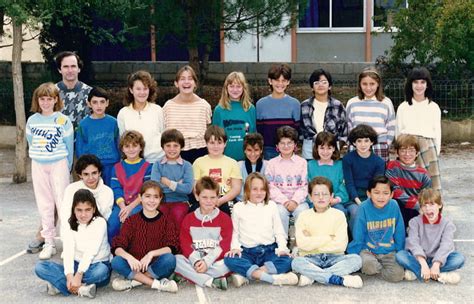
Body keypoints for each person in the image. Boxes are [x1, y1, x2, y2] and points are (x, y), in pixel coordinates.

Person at [26, 82, 73, 260]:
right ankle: (49, 243)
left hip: (58, 163)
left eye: (49, 99)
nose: (46, 102)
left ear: (56, 100)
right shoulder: (33, 120)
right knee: (44, 204)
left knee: (62, 203)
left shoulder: (62, 120)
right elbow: (31, 142)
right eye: (42, 99)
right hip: (38, 164)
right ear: (37, 100)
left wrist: (67, 166)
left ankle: (68, 243)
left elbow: (68, 145)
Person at [224, 173, 297, 287]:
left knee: (288, 260)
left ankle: (249, 274)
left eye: (262, 189)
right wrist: (235, 248)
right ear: (247, 190)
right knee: (229, 259)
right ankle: (272, 278)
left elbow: (279, 230)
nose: (259, 193)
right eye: (255, 189)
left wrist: (283, 248)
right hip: (247, 252)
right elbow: (235, 231)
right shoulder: (239, 207)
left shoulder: (272, 206)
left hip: (269, 250)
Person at [35, 190, 111, 298]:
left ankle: (62, 286)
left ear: (94, 209)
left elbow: (91, 251)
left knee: (101, 272)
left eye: (87, 210)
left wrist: (79, 275)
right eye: (79, 210)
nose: (83, 214)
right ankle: (81, 289)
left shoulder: (100, 222)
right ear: (74, 210)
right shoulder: (70, 224)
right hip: (76, 264)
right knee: (40, 267)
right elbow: (69, 250)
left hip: (97, 264)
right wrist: (70, 275)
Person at [292, 177, 362, 288]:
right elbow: (302, 244)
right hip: (310, 258)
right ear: (310, 197)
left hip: (335, 257)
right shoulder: (303, 216)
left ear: (331, 196)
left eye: (325, 194)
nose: (320, 197)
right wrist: (329, 238)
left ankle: (313, 276)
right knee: (296, 262)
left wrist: (313, 240)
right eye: (316, 194)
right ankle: (336, 279)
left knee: (356, 260)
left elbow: (340, 246)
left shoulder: (338, 215)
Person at [111, 181, 179, 293]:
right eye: (147, 196)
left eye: (156, 197)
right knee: (116, 261)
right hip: (135, 265)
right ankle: (156, 284)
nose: (151, 201)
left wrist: (151, 254)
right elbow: (117, 246)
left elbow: (172, 247)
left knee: (170, 259)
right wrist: (129, 257)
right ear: (140, 198)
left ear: (160, 199)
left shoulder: (167, 220)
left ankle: (135, 281)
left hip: (157, 265)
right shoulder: (131, 221)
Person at [396, 189, 464, 284]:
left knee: (459, 258)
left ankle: (419, 273)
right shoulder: (414, 222)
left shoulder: (447, 224)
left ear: (440, 205)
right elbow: (413, 243)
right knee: (400, 256)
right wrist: (423, 263)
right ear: (421, 207)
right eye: (424, 205)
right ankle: (438, 275)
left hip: (439, 259)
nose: (428, 209)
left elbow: (446, 245)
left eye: (432, 204)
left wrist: (436, 264)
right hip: (419, 259)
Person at [175, 177, 233, 290]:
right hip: (194, 260)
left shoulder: (225, 219)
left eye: (212, 197)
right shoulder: (189, 219)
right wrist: (196, 261)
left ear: (218, 197)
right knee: (176, 260)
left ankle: (191, 276)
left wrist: (207, 262)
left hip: (215, 261)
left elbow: (225, 245)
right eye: (204, 197)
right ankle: (210, 281)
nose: (209, 201)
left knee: (230, 262)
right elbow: (185, 244)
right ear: (197, 196)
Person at [347, 176, 405, 282]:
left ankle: (380, 268)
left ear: (391, 195)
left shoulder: (394, 205)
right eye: (376, 192)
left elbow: (399, 229)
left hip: (389, 251)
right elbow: (358, 233)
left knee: (398, 275)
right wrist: (354, 254)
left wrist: (400, 250)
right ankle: (374, 267)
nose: (381, 197)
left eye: (385, 193)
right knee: (370, 267)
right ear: (369, 194)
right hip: (368, 250)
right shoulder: (363, 207)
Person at [396, 67, 442, 191]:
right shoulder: (403, 107)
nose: (419, 86)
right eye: (415, 82)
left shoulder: (433, 107)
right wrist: (401, 152)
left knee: (431, 187)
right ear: (410, 84)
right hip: (408, 149)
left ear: (427, 85)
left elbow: (437, 133)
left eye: (422, 82)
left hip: (428, 149)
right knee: (410, 185)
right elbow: (398, 132)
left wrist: (435, 154)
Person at [108, 131, 152, 243]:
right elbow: (116, 189)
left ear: (141, 147)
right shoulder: (117, 168)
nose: (131, 149)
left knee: (131, 219)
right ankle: (112, 251)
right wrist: (123, 207)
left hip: (139, 203)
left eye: (134, 145)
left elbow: (146, 191)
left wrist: (130, 207)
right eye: (127, 146)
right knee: (112, 223)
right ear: (122, 149)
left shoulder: (148, 167)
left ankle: (132, 249)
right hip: (121, 204)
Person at [265, 126, 308, 237]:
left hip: (299, 201)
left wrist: (294, 201)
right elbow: (270, 186)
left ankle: (300, 245)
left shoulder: (302, 162)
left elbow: (305, 186)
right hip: (279, 201)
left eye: (289, 143)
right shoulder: (271, 163)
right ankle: (282, 244)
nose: (286, 146)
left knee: (303, 212)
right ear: (277, 146)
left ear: (295, 145)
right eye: (282, 143)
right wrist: (284, 201)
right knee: (279, 213)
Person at [163, 65, 212, 163]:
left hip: (200, 152)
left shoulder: (204, 105)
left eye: (190, 79)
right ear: (176, 83)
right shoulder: (168, 106)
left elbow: (208, 130)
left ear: (195, 84)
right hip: (175, 153)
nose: (186, 82)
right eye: (182, 79)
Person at [346, 67, 396, 162]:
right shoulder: (352, 103)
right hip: (357, 146)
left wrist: (386, 144)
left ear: (378, 84)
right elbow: (348, 125)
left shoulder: (386, 102)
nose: (368, 88)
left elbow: (391, 126)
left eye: (372, 84)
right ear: (360, 85)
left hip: (379, 146)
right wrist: (353, 143)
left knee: (378, 176)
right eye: (364, 84)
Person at [342, 124, 385, 231]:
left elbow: (377, 185)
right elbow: (349, 183)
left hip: (372, 197)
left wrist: (370, 201)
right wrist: (359, 202)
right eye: (359, 141)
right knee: (356, 212)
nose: (363, 144)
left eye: (366, 140)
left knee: (376, 212)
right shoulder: (348, 159)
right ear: (353, 143)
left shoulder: (379, 162)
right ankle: (356, 241)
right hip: (353, 198)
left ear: (372, 142)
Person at [75, 87, 120, 186]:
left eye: (102, 102)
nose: (99, 106)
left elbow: (118, 144)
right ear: (89, 103)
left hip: (112, 165)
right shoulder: (83, 125)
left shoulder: (113, 122)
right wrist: (86, 167)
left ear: (107, 103)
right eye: (95, 102)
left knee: (111, 193)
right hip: (93, 168)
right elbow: (80, 149)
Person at [192, 125, 242, 215]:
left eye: (219, 142)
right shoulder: (198, 162)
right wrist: (203, 200)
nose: (216, 146)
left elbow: (236, 188)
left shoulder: (232, 162)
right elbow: (195, 186)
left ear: (225, 143)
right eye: (212, 143)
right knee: (192, 213)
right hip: (204, 199)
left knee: (232, 213)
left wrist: (220, 201)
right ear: (206, 143)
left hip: (225, 198)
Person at [117, 70, 164, 164]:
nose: (142, 92)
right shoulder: (123, 113)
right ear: (131, 90)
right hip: (134, 162)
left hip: (157, 162)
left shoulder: (158, 110)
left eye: (145, 88)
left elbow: (164, 135)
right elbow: (123, 141)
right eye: (138, 89)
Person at [386, 135, 432, 228]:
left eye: (411, 150)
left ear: (417, 153)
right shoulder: (392, 166)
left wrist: (422, 207)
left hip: (417, 210)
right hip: (398, 207)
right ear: (397, 152)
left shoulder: (423, 174)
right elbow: (394, 190)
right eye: (403, 150)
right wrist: (416, 204)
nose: (407, 154)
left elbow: (426, 195)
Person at [300, 69, 347, 160]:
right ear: (312, 87)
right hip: (309, 151)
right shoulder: (304, 105)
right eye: (316, 82)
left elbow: (344, 130)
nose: (320, 85)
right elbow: (300, 131)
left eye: (324, 82)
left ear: (329, 86)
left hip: (332, 150)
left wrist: (336, 145)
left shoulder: (337, 105)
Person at [150, 129, 193, 229]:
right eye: (168, 145)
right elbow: (155, 187)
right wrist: (178, 184)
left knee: (178, 217)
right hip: (161, 201)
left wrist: (167, 182)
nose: (172, 149)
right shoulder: (157, 165)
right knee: (160, 219)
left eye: (175, 145)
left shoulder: (186, 165)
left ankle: (176, 244)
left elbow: (188, 188)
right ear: (163, 147)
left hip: (181, 201)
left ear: (181, 147)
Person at [256, 63, 300, 159]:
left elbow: (297, 131)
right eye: (276, 80)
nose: (280, 84)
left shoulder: (295, 104)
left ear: (288, 82)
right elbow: (259, 131)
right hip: (268, 150)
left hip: (288, 150)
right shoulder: (260, 104)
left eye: (283, 80)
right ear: (270, 81)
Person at [61, 155, 113, 232]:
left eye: (94, 173)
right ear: (80, 175)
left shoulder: (107, 192)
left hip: (96, 232)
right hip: (74, 230)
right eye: (86, 174)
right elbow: (65, 216)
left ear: (100, 173)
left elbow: (104, 218)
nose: (91, 178)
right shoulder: (71, 189)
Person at [212, 71, 256, 161]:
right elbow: (214, 136)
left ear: (244, 88)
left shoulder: (250, 109)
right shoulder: (219, 110)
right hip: (224, 159)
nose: (235, 90)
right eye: (231, 86)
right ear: (226, 88)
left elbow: (253, 134)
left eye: (238, 86)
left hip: (245, 159)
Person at [307, 131, 349, 214]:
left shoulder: (340, 165)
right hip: (315, 202)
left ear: (334, 148)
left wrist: (336, 199)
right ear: (316, 148)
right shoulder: (310, 165)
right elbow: (307, 185)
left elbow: (343, 184)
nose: (325, 152)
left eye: (329, 148)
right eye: (322, 148)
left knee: (340, 212)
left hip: (334, 202)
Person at [54, 51, 92, 129]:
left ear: (79, 69)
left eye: (73, 66)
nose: (70, 70)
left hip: (84, 140)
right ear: (59, 69)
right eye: (66, 66)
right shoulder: (51, 92)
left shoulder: (90, 92)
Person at [236, 133, 267, 201]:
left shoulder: (268, 166)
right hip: (243, 202)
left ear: (261, 150)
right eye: (249, 150)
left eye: (256, 150)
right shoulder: (238, 166)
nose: (253, 154)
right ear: (244, 150)